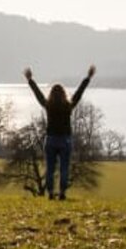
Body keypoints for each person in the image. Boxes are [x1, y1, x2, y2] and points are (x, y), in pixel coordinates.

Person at [24, 64, 96, 199]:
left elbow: (38, 94)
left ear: (51, 94)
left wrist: (30, 80)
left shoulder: (48, 105)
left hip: (51, 140)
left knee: (50, 169)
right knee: (64, 168)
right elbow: (79, 92)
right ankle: (62, 193)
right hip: (65, 140)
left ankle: (50, 193)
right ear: (64, 94)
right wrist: (88, 77)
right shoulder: (68, 106)